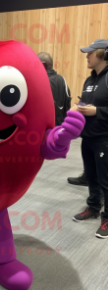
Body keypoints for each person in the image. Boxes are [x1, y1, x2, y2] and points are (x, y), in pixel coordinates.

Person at [72, 39, 108, 239]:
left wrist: (97, 111)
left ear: (103, 54)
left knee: (106, 181)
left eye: (90, 53)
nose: (87, 56)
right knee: (91, 177)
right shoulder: (89, 80)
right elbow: (84, 103)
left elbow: (96, 109)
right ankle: (93, 207)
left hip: (104, 138)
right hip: (88, 137)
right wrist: (76, 108)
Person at [38, 52, 71, 126]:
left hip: (41, 128)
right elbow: (68, 102)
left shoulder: (37, 80)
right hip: (59, 127)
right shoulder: (62, 79)